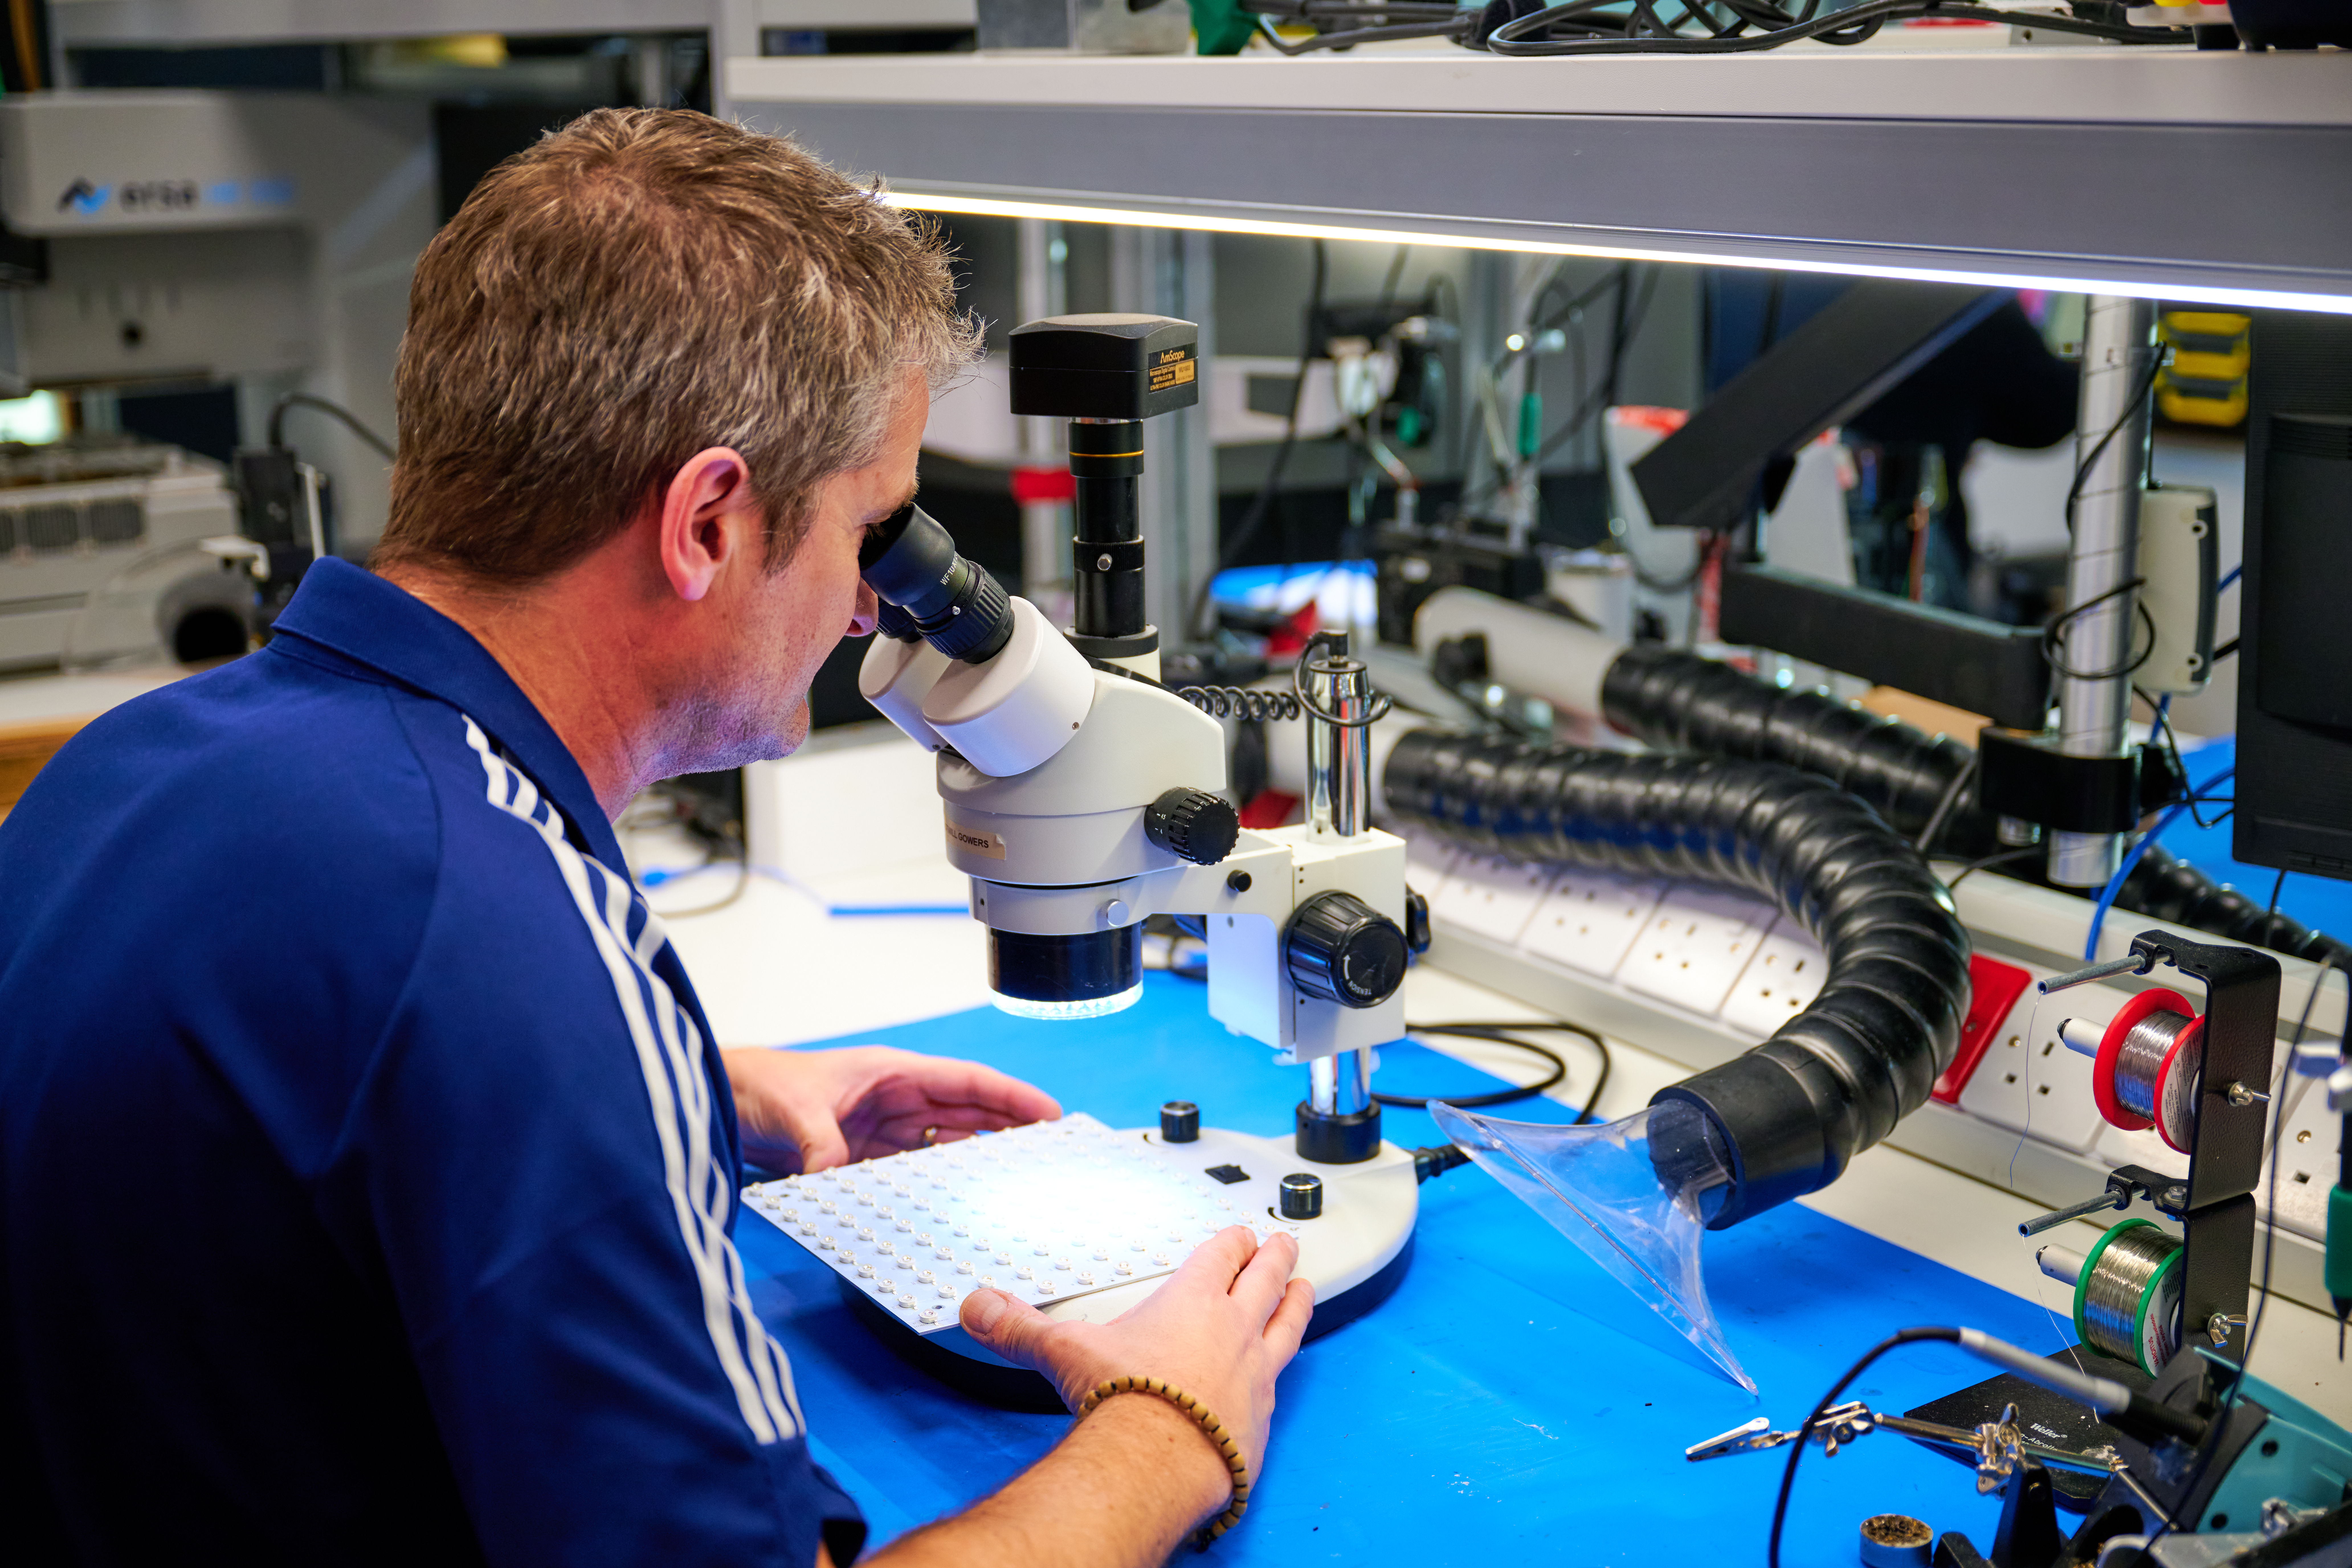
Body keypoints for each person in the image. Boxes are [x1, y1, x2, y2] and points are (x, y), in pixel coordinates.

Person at [0, 109, 1311, 1568]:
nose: (874, 608)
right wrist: (1166, 1424)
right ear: (706, 523)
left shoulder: (127, 769)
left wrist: (688, 1091)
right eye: (866, 532)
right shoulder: (508, 938)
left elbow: (286, 1103)